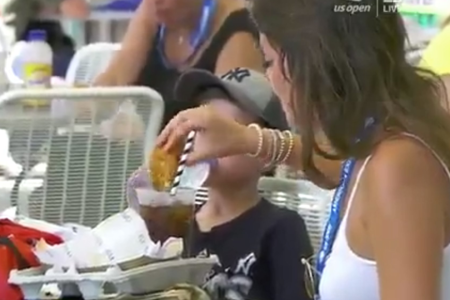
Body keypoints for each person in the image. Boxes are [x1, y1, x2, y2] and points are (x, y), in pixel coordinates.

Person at [156, 1, 450, 300]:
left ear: (306, 61)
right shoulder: (382, 145)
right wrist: (245, 139)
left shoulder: (398, 166)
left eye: (268, 62)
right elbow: (336, 166)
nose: (269, 79)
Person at [131, 68, 313, 300]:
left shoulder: (282, 229)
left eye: (225, 129)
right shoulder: (173, 223)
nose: (207, 139)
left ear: (264, 151)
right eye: (200, 127)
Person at [93, 0, 263, 127]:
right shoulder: (153, 10)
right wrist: (76, 108)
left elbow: (228, 131)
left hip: (208, 165)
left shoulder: (239, 27)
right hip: (156, 159)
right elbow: (113, 82)